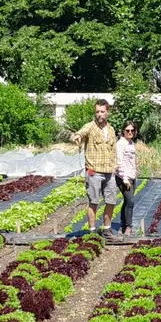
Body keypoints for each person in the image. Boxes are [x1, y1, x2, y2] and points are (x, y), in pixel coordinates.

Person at [71, 99, 119, 236]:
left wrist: (115, 165)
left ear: (107, 112)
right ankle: (92, 231)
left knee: (111, 201)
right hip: (93, 170)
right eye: (97, 111)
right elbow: (81, 132)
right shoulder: (90, 127)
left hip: (109, 171)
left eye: (102, 112)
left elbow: (114, 150)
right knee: (94, 201)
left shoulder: (111, 130)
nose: (99, 114)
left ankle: (106, 228)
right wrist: (77, 136)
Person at [115, 121, 139, 236]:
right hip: (123, 177)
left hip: (132, 176)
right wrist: (124, 178)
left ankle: (123, 226)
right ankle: (128, 227)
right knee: (130, 201)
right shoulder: (120, 144)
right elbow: (118, 161)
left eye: (132, 131)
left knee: (127, 201)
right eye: (127, 130)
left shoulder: (131, 143)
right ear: (123, 131)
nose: (130, 132)